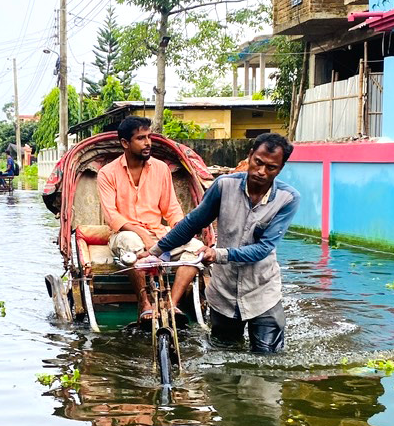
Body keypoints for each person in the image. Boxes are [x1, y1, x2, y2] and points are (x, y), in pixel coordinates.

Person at [140, 132, 299, 353]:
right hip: (224, 292)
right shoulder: (224, 186)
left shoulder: (288, 199)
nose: (261, 172)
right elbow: (191, 224)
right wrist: (156, 252)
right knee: (224, 355)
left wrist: (219, 254)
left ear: (281, 168)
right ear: (250, 156)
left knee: (267, 361)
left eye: (271, 168)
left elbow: (264, 248)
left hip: (262, 292)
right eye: (258, 162)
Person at [97, 117, 203, 321]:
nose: (148, 143)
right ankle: (144, 302)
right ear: (125, 143)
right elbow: (112, 216)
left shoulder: (161, 168)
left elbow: (171, 208)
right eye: (141, 138)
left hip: (159, 233)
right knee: (131, 241)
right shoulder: (107, 173)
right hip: (124, 234)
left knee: (196, 248)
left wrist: (181, 229)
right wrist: (142, 234)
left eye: (149, 137)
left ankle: (172, 303)